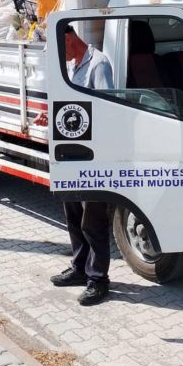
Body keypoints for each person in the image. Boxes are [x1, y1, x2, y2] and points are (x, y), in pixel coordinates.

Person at [50, 23, 115, 305]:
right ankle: (79, 268)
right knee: (74, 216)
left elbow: (106, 107)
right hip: (71, 154)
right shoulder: (74, 65)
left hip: (93, 157)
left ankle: (98, 279)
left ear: (69, 36)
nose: (59, 55)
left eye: (58, 48)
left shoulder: (98, 64)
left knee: (94, 221)